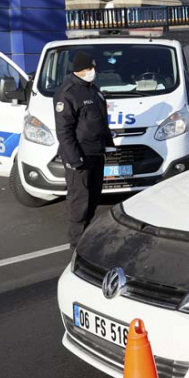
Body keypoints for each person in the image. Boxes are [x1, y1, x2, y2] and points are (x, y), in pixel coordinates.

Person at [54, 50, 115, 249]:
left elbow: (101, 121)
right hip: (80, 155)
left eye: (93, 68)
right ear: (79, 69)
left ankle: (87, 237)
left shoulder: (92, 89)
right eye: (89, 68)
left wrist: (108, 145)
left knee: (94, 197)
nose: (93, 71)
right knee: (79, 200)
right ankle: (77, 244)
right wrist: (74, 159)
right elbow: (64, 130)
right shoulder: (68, 93)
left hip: (96, 152)